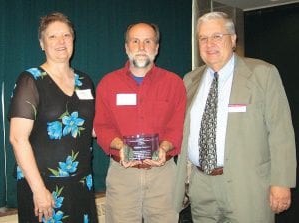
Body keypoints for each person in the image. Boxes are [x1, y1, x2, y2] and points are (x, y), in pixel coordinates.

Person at [174, 11, 297, 223]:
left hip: (247, 185)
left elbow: (281, 131)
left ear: (232, 39)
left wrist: (282, 182)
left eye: (217, 36)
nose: (209, 43)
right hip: (201, 185)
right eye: (203, 38)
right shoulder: (190, 80)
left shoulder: (262, 73)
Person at [9, 12, 98, 223]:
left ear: (73, 39)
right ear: (41, 43)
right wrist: (39, 190)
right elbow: (18, 139)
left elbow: (92, 129)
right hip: (43, 186)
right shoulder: (30, 80)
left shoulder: (85, 81)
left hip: (81, 184)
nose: (61, 42)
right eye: (52, 37)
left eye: (66, 35)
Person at [93, 22, 186, 223]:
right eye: (135, 41)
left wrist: (164, 147)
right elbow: (102, 126)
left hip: (164, 174)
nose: (141, 47)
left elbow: (177, 126)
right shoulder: (108, 84)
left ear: (157, 48)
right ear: (127, 47)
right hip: (122, 173)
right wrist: (120, 146)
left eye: (148, 41)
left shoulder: (174, 83)